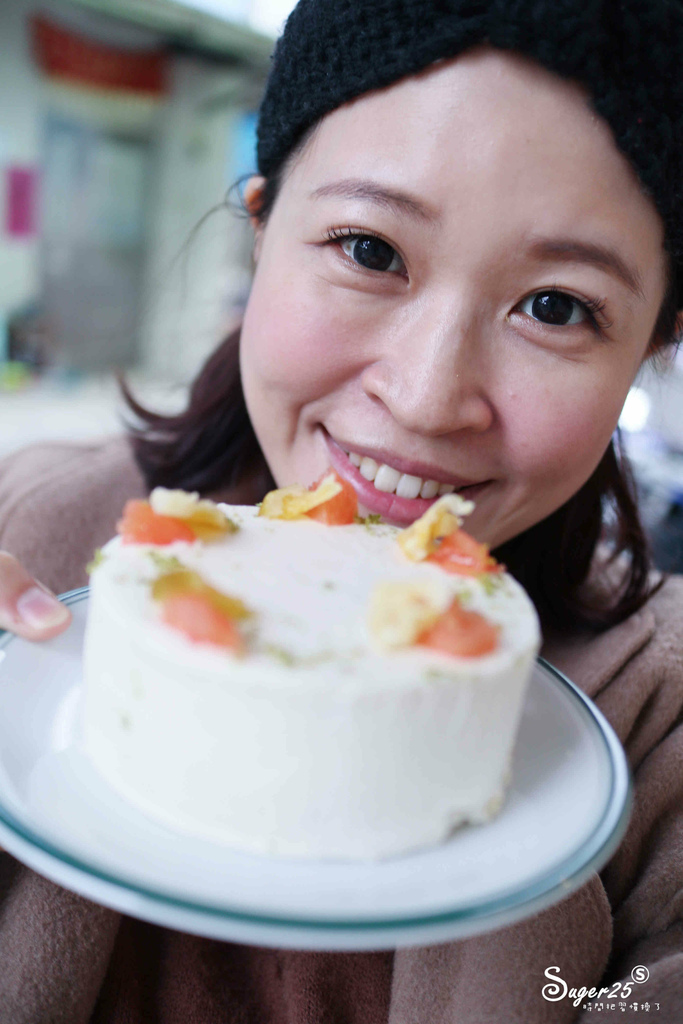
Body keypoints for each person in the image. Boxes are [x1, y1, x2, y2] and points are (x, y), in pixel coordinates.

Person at [0, 0, 682, 1021]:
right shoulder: (29, 534)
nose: (424, 396)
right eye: (367, 249)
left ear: (654, 345)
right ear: (261, 228)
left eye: (555, 307)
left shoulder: (661, 718)